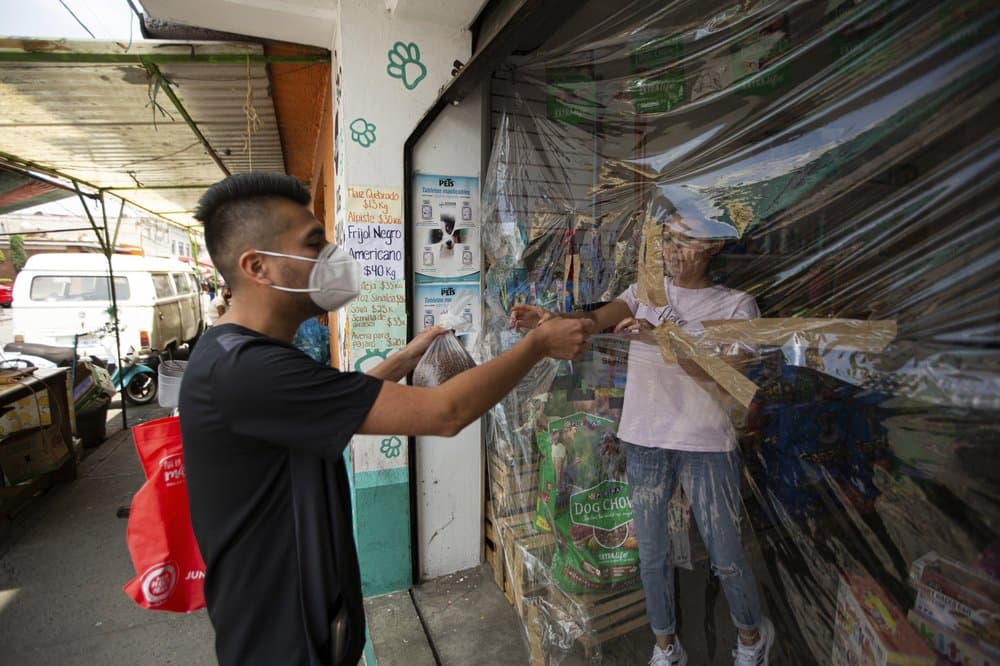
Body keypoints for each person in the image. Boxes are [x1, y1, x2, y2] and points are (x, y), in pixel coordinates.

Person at [179, 172, 593, 666]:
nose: (331, 255)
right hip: (282, 638)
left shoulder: (238, 353)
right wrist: (538, 345)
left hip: (293, 624)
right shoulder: (246, 370)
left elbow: (334, 401)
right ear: (258, 267)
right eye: (314, 243)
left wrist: (406, 357)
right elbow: (446, 412)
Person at [511, 193, 774, 666]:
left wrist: (664, 339)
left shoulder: (737, 306)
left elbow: (732, 381)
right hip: (645, 441)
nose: (673, 250)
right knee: (650, 554)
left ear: (713, 246)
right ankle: (666, 645)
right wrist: (551, 322)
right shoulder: (645, 292)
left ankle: (752, 638)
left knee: (725, 552)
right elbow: (592, 322)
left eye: (687, 240)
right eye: (668, 239)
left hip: (705, 445)